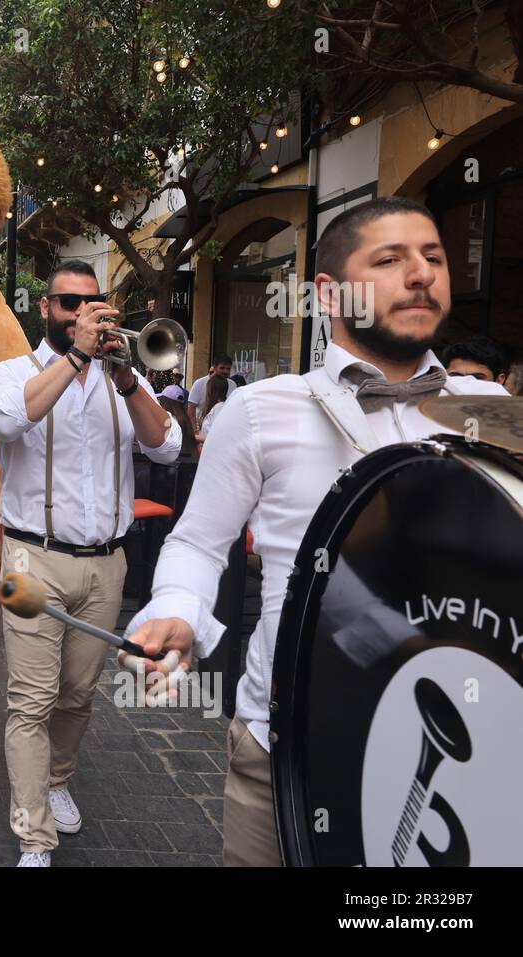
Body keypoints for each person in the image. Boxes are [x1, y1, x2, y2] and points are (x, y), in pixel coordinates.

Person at [123, 197, 508, 867]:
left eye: (435, 258)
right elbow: (196, 542)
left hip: (463, 755)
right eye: (390, 259)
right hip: (287, 748)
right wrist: (178, 612)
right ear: (330, 292)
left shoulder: (493, 413)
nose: (421, 274)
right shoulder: (261, 410)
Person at [0, 260, 181, 868]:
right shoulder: (11, 372)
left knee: (77, 695)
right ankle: (33, 836)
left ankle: (58, 780)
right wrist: (74, 360)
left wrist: (124, 379)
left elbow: (167, 447)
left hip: (106, 565)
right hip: (29, 559)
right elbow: (7, 420)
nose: (82, 313)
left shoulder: (123, 378)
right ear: (46, 309)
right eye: (69, 304)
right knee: (30, 700)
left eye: (92, 303)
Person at [186, 354, 236, 434]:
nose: (225, 371)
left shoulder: (232, 384)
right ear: (214, 367)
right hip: (202, 429)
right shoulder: (200, 383)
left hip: (223, 429)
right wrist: (195, 431)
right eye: (222, 368)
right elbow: (191, 409)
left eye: (228, 369)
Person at [442, 334, 510, 386]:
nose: (465, 385)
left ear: (499, 380)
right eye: (456, 376)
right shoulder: (433, 403)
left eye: (477, 378)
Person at [157, 384, 198, 458]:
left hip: (170, 464)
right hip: (186, 462)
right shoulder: (184, 419)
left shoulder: (168, 421)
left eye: (160, 399)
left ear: (165, 401)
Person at [195, 373, 230, 453]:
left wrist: (195, 437)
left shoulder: (219, 409)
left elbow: (217, 437)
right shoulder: (214, 408)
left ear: (211, 390)